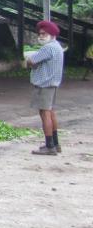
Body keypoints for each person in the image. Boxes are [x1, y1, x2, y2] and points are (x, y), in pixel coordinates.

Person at [27, 20, 65, 155]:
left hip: (44, 85)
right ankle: (55, 144)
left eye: (44, 33)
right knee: (51, 112)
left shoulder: (48, 48)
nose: (41, 36)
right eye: (40, 34)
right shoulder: (57, 46)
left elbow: (31, 60)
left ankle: (49, 146)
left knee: (45, 114)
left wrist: (30, 62)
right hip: (53, 85)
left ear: (52, 34)